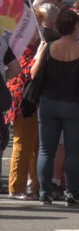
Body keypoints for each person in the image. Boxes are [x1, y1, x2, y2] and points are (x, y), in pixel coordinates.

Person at [32, 9, 79, 205]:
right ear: (76, 28)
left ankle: (44, 193)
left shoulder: (48, 47)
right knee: (74, 151)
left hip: (48, 103)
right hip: (75, 104)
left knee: (46, 150)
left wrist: (40, 53)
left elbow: (33, 73)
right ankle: (73, 192)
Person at [6, 35, 39, 200]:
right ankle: (17, 187)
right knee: (23, 145)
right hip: (23, 103)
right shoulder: (21, 50)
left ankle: (35, 185)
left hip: (35, 103)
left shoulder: (33, 48)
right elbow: (25, 73)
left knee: (34, 147)